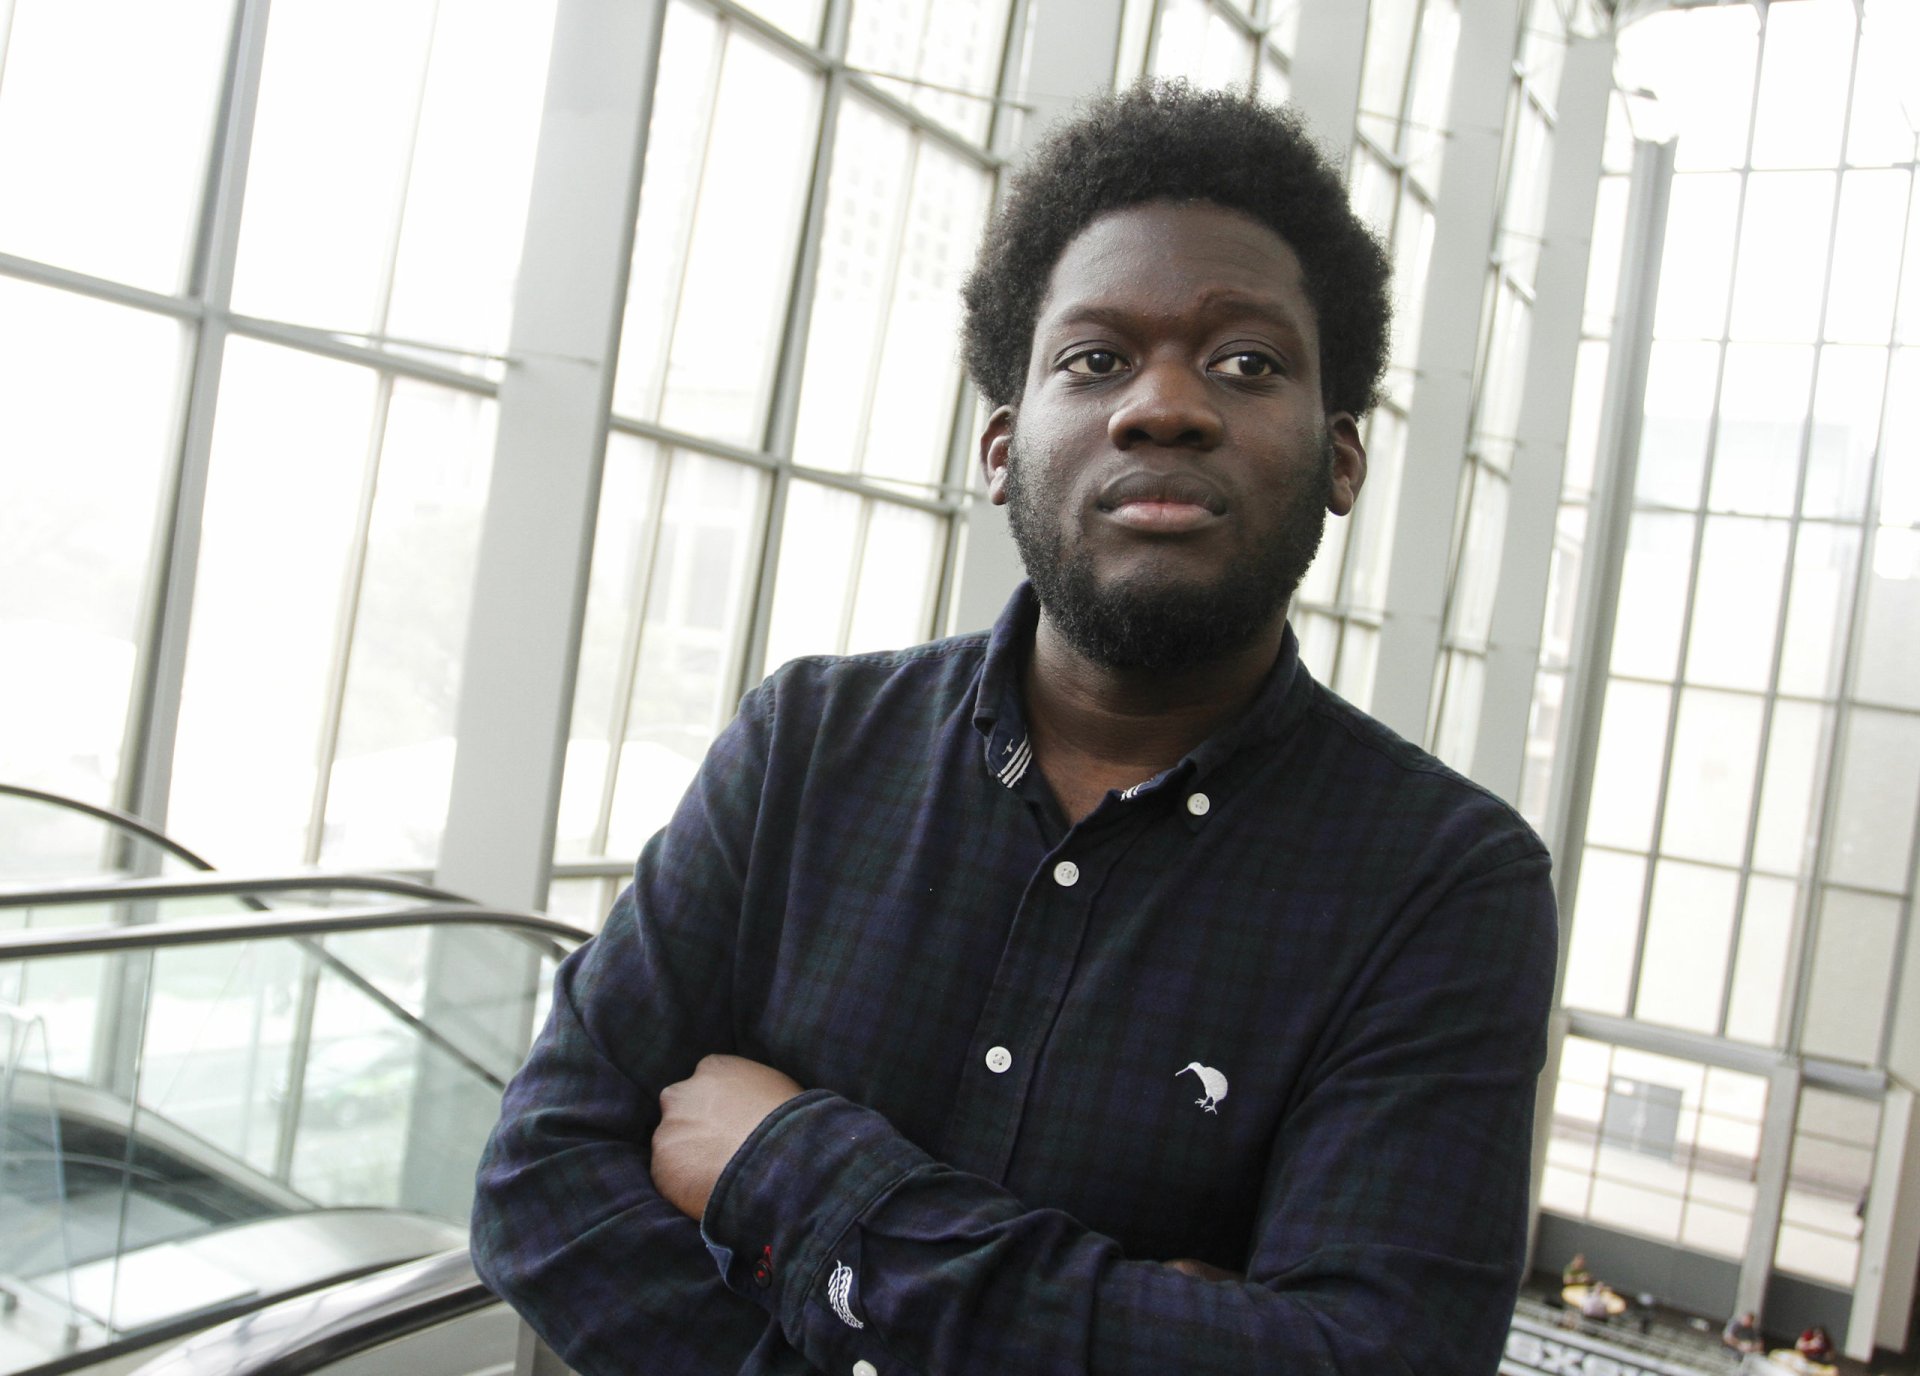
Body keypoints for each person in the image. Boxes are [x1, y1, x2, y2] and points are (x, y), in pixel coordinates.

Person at [470, 80, 1558, 1375]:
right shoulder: (808, 747)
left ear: (1339, 458)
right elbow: (539, 1180)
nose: (1165, 406)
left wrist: (794, 1173)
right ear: (1000, 445)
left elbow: (1372, 1363)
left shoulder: (1442, 885)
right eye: (1095, 360)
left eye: (1246, 363)